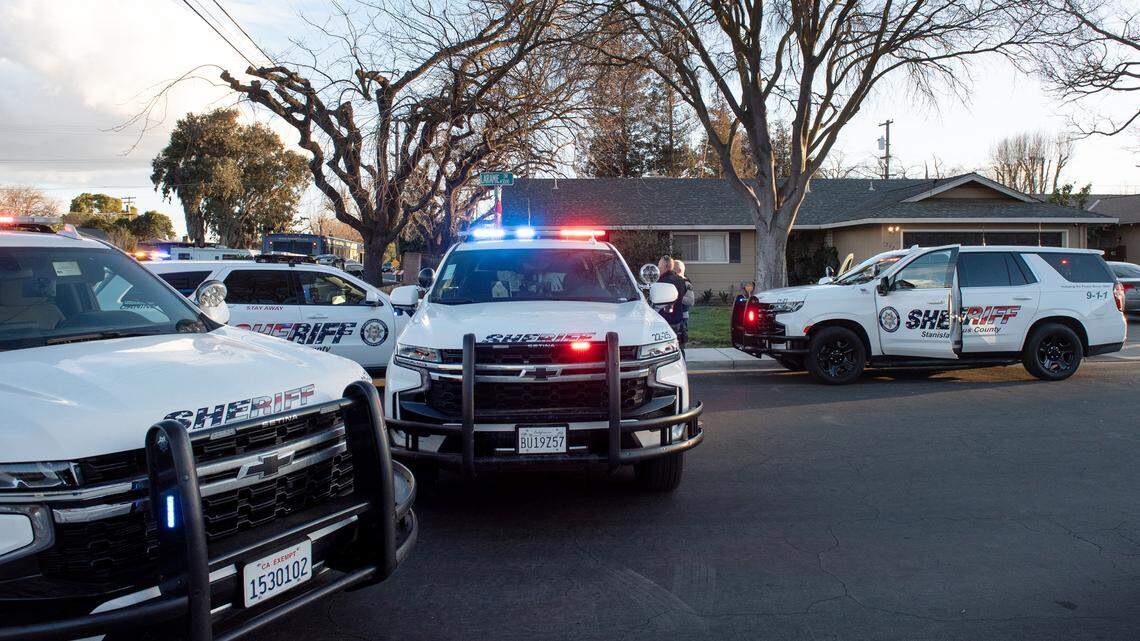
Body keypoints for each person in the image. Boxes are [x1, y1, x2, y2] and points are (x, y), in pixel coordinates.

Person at [655, 255, 688, 355]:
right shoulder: (681, 280)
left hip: (665, 320)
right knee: (679, 349)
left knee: (664, 350)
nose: (658, 268)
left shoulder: (662, 281)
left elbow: (658, 302)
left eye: (659, 266)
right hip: (678, 319)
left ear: (665, 267)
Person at [673, 260, 695, 351]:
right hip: (672, 316)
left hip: (682, 317)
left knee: (680, 344)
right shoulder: (672, 282)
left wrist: (677, 297)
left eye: (673, 269)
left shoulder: (686, 284)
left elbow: (691, 301)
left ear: (678, 270)